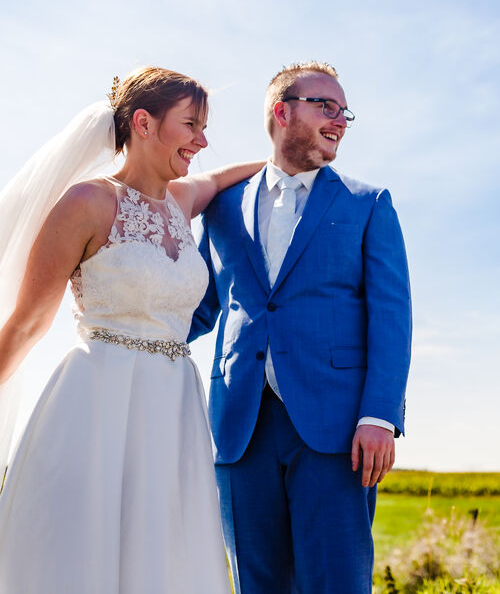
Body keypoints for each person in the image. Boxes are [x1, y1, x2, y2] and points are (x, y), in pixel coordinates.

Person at [0, 67, 264, 592]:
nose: (202, 140)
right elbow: (29, 322)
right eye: (190, 125)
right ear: (143, 122)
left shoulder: (182, 201)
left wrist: (283, 160)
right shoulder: (85, 203)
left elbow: (216, 180)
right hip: (96, 404)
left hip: (174, 410)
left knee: (164, 556)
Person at [189, 61, 412, 594]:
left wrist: (380, 415)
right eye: (326, 107)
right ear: (282, 111)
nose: (340, 121)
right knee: (256, 584)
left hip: (336, 431)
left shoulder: (368, 204)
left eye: (344, 112)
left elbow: (392, 317)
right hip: (239, 427)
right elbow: (195, 305)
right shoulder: (222, 207)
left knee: (335, 582)